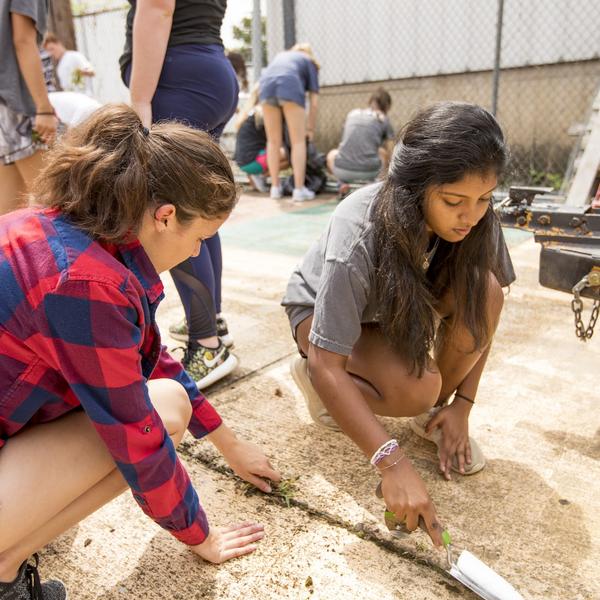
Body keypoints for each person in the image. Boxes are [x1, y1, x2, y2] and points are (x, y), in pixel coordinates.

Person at [0, 104, 282, 600]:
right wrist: (201, 535)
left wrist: (228, 443)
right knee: (157, 417)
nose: (197, 253)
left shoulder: (69, 230)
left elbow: (138, 356)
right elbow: (137, 438)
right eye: (200, 239)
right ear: (166, 216)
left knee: (168, 397)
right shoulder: (87, 283)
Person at [282, 102, 515, 547]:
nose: (471, 215)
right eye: (453, 202)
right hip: (319, 315)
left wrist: (462, 405)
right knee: (413, 388)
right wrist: (392, 462)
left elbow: (487, 309)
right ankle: (322, 388)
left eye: (484, 199)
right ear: (415, 188)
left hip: (382, 314)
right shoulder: (361, 229)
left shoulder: (476, 218)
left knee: (484, 290)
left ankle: (437, 415)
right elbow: (327, 363)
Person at [120, 0, 240, 389]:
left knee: (173, 211)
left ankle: (206, 343)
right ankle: (209, 324)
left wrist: (139, 100)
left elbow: (157, 6)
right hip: (207, 70)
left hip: (180, 77)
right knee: (197, 208)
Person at [0, 0, 58, 214]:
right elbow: (23, 40)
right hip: (18, 103)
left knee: (9, 211)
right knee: (54, 201)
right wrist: (42, 108)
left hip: (5, 105)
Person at [259, 42, 320, 202]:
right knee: (298, 141)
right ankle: (299, 190)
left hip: (265, 86)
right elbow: (314, 102)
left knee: (272, 141)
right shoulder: (309, 61)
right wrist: (310, 128)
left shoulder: (282, 56)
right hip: (290, 86)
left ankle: (275, 188)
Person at [326, 88, 395, 195]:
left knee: (331, 154)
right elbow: (391, 150)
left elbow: (343, 144)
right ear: (387, 106)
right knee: (382, 152)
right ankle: (375, 183)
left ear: (370, 102)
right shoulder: (383, 118)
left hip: (342, 171)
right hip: (369, 172)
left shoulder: (352, 114)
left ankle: (341, 183)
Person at [234, 85, 289, 193]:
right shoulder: (263, 112)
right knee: (289, 155)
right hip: (254, 161)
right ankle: (261, 175)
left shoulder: (247, 113)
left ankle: (255, 175)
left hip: (241, 162)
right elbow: (274, 140)